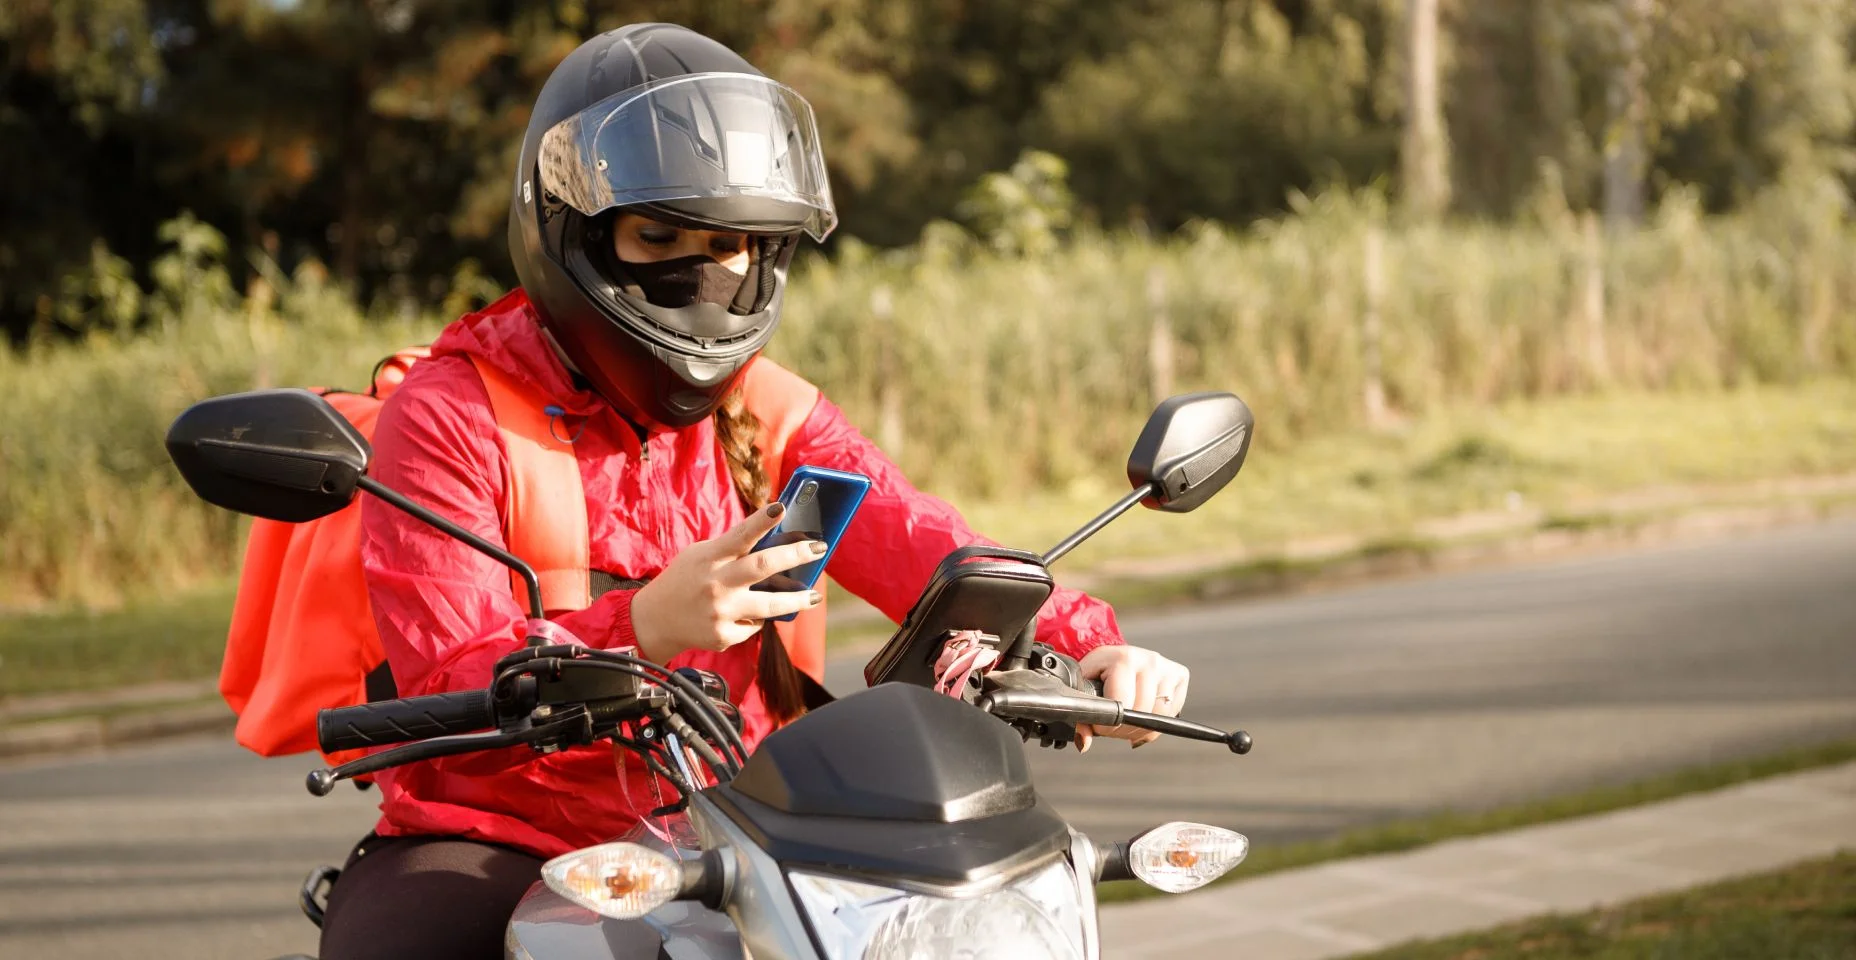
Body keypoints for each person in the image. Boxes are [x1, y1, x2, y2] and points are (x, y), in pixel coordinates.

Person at [315, 22, 1190, 960]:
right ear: (570, 228)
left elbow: (923, 542)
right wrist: (647, 624)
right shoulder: (451, 414)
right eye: (660, 235)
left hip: (746, 822)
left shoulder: (766, 411)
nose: (705, 273)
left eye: (732, 242)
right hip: (497, 835)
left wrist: (1088, 645)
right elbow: (447, 672)